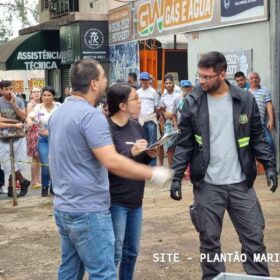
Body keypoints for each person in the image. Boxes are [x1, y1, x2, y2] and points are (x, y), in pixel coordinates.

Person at [48, 59, 173, 280]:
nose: (107, 80)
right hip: (88, 210)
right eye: (104, 76)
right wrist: (152, 173)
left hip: (65, 207)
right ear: (94, 84)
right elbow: (112, 161)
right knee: (104, 273)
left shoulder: (59, 112)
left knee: (69, 272)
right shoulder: (92, 116)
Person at [169, 51, 278, 280]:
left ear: (222, 74)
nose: (202, 81)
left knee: (254, 241)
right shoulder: (193, 101)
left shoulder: (244, 99)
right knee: (209, 244)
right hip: (208, 185)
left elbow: (256, 136)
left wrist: (269, 165)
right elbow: (185, 143)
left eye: (208, 77)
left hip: (241, 184)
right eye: (200, 76)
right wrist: (177, 175)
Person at [107, 83, 158, 280]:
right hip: (116, 201)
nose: (139, 102)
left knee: (131, 252)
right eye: (135, 98)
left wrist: (148, 155)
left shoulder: (137, 125)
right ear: (122, 105)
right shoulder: (106, 128)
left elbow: (138, 160)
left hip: (136, 200)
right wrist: (131, 152)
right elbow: (110, 163)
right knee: (115, 253)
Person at [26, 86, 60, 197]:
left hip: (57, 140)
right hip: (43, 140)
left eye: (49, 95)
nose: (46, 97)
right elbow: (29, 117)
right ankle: (45, 187)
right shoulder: (38, 108)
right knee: (46, 164)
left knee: (56, 164)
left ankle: (54, 187)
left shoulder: (59, 107)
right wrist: (30, 121)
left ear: (53, 96)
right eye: (44, 95)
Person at [0, 80, 30, 197]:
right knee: (7, 163)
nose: (9, 92)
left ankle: (12, 186)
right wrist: (13, 122)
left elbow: (23, 117)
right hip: (3, 136)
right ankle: (23, 181)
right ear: (1, 90)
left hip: (18, 136)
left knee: (18, 162)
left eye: (11, 89)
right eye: (6, 89)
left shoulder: (19, 100)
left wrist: (15, 105)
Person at [248, 71, 275, 154]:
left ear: (259, 79)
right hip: (248, 125)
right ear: (248, 80)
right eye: (251, 78)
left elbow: (269, 104)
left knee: (269, 143)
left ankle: (271, 164)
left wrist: (271, 119)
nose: (254, 80)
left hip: (261, 124)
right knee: (248, 147)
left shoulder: (265, 90)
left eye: (256, 78)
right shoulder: (245, 92)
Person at [137, 71, 159, 166]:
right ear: (140, 81)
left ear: (149, 81)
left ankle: (152, 166)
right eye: (142, 80)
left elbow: (157, 107)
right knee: (144, 143)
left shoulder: (154, 92)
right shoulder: (137, 92)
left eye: (146, 80)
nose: (144, 82)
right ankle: (145, 165)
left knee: (152, 144)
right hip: (141, 121)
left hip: (151, 120)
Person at [159, 74, 181, 167]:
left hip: (180, 122)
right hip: (169, 124)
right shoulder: (163, 97)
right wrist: (164, 114)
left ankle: (179, 169)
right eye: (166, 83)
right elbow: (161, 110)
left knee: (179, 147)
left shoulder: (179, 94)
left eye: (170, 83)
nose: (168, 85)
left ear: (173, 83)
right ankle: (171, 169)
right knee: (169, 147)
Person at [26, 86, 42, 188]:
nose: (36, 94)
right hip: (33, 132)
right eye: (34, 92)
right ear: (31, 94)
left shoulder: (42, 104)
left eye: (38, 92)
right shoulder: (30, 104)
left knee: (40, 157)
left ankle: (38, 180)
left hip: (42, 131)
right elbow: (28, 119)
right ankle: (33, 181)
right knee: (35, 157)